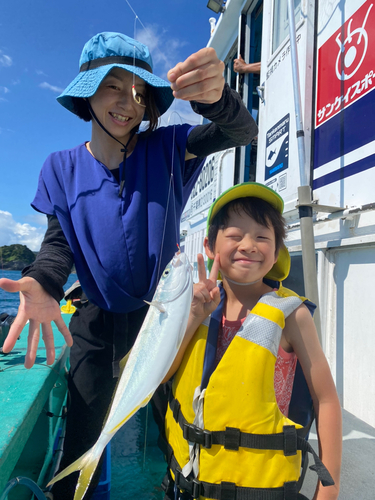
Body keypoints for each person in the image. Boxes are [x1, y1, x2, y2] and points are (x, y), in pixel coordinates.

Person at [0, 32, 257, 499]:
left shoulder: (169, 148)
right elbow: (58, 246)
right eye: (112, 86)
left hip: (162, 313)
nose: (128, 102)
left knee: (173, 420)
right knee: (83, 429)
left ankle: (176, 488)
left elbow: (240, 132)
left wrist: (218, 101)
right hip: (94, 323)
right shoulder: (59, 168)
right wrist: (41, 282)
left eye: (140, 92)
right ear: (87, 93)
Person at [162, 182, 342, 500]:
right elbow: (161, 378)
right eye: (234, 235)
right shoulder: (193, 306)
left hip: (260, 489)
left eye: (262, 237)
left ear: (276, 253)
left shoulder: (292, 315)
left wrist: (329, 490)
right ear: (209, 246)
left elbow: (325, 399)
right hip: (188, 486)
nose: (249, 245)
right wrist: (192, 317)